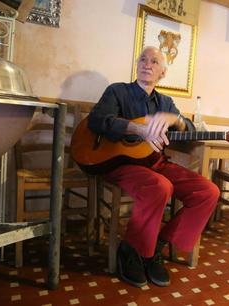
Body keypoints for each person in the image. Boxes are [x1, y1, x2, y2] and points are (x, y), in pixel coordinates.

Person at [88, 46, 219, 288]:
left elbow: (188, 130)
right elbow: (97, 120)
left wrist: (176, 119)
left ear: (162, 73)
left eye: (154, 61)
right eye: (143, 59)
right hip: (121, 163)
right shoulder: (117, 91)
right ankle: (134, 251)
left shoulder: (165, 102)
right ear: (136, 64)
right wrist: (136, 128)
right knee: (160, 186)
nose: (147, 64)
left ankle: (156, 245)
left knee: (208, 192)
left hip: (156, 163)